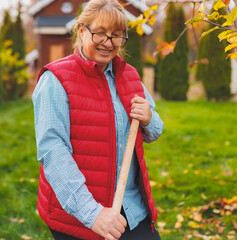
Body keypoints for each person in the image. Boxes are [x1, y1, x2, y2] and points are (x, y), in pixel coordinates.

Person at [32, 0, 164, 239]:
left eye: (117, 35)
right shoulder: (56, 79)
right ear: (82, 31)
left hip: (132, 207)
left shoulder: (130, 76)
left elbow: (155, 131)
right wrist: (93, 214)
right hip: (79, 214)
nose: (108, 42)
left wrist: (148, 118)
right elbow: (53, 151)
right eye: (100, 33)